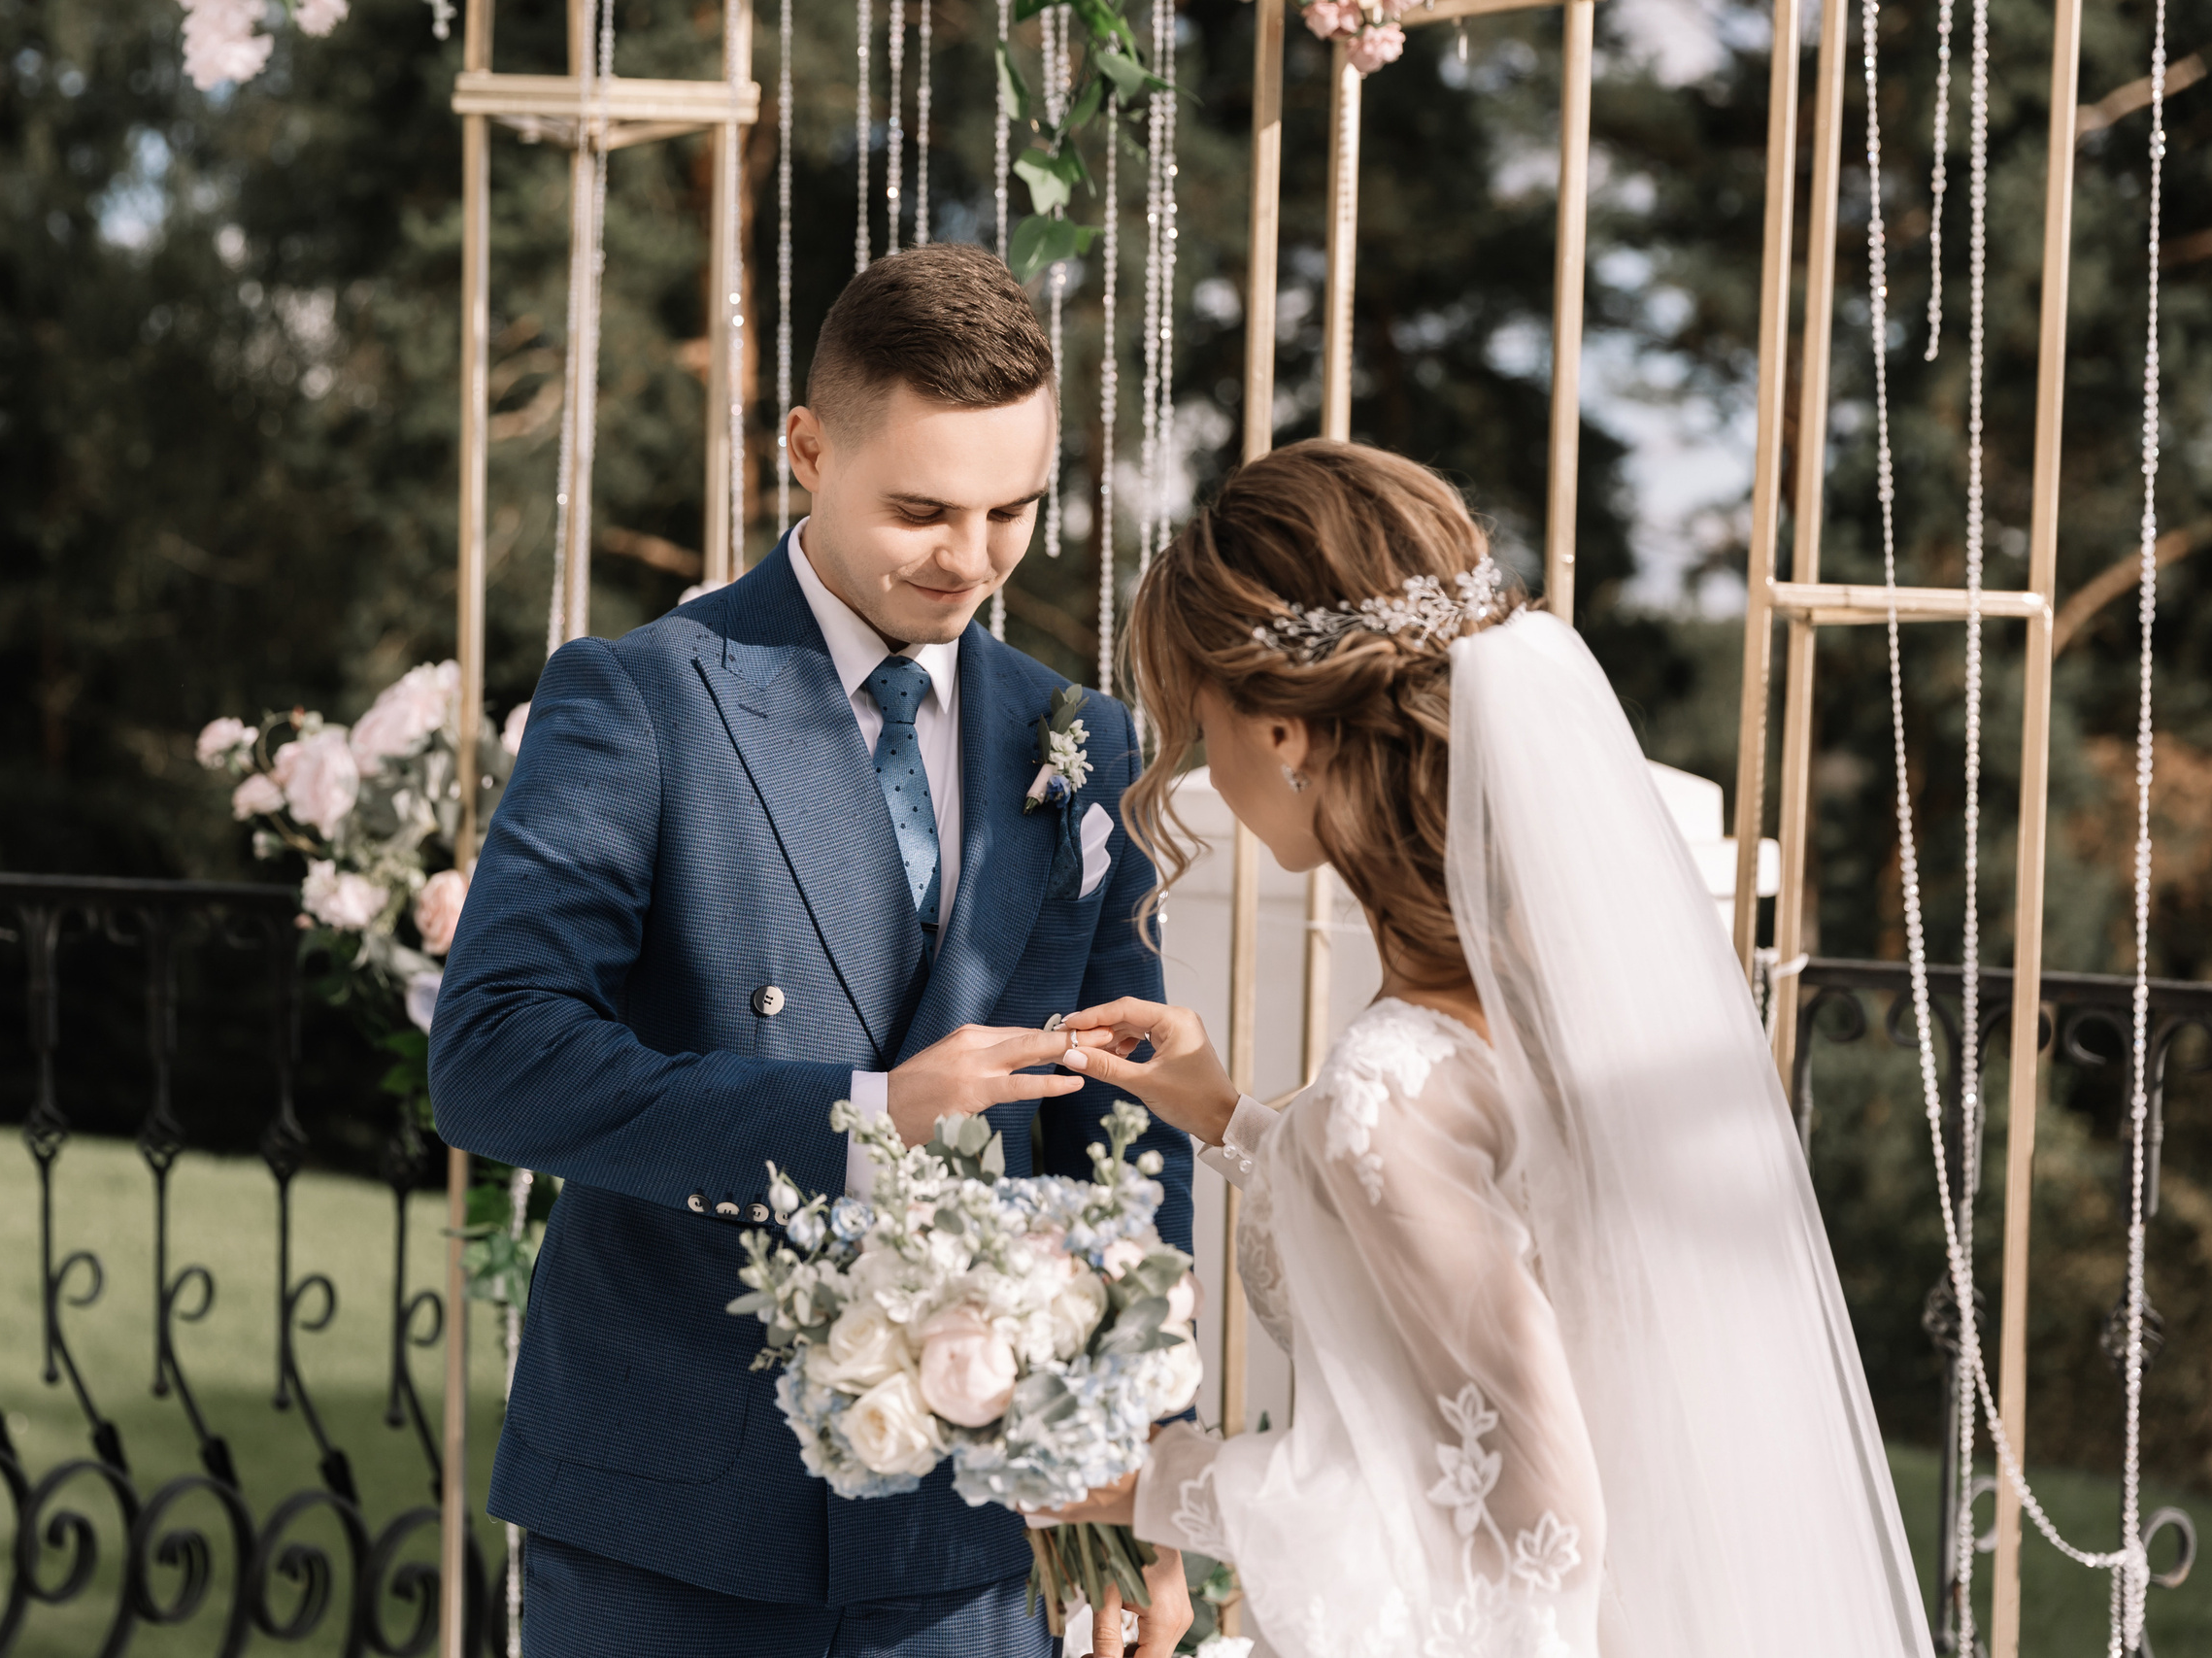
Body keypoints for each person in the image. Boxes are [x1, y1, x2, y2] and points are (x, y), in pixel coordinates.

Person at [1045, 440, 1935, 1658]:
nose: (1201, 763)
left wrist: (1147, 1480)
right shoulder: (1541, 983)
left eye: (1200, 722)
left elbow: (1537, 1520)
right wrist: (1234, 1121)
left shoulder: (1390, 1080)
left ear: (1284, 734)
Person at [427, 244, 1192, 1658]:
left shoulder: (1083, 741)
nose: (970, 559)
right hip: (673, 1514)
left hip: (976, 1528)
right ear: (805, 446)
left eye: (1012, 509)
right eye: (921, 508)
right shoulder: (645, 693)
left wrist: (1138, 1472)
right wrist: (859, 1118)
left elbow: (1122, 1130)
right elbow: (491, 1057)